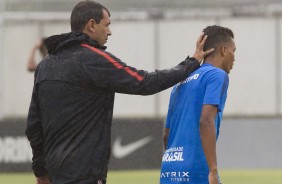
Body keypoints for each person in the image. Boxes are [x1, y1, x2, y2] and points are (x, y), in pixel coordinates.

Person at [25, 1, 213, 184]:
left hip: (54, 173)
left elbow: (34, 125)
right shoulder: (95, 60)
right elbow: (145, 82)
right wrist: (192, 62)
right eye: (107, 25)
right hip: (84, 173)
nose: (109, 31)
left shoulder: (45, 65)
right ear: (91, 25)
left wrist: (41, 171)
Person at [160, 25, 236, 184]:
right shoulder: (217, 75)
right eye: (233, 51)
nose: (234, 57)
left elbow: (167, 134)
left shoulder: (180, 82)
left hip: (169, 169)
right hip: (196, 168)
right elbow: (206, 120)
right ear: (223, 50)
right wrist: (213, 170)